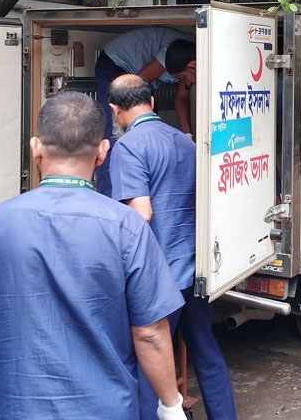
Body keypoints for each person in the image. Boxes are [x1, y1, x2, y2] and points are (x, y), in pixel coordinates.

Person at [0, 92, 188, 420]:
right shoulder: (127, 227)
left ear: (36, 149)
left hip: (14, 410)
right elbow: (150, 332)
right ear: (103, 152)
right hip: (105, 409)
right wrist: (170, 404)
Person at [107, 75, 237, 420]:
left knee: (150, 364)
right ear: (151, 102)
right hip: (194, 270)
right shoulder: (184, 141)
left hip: (158, 277)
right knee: (206, 352)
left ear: (114, 110)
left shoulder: (128, 147)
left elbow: (141, 215)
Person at [95, 28, 196, 196]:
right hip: (116, 64)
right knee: (112, 134)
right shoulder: (175, 53)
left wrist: (188, 136)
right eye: (183, 78)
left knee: (150, 132)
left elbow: (181, 98)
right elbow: (138, 83)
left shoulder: (191, 55)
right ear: (192, 67)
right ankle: (110, 197)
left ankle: (145, 191)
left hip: (140, 79)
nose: (186, 82)